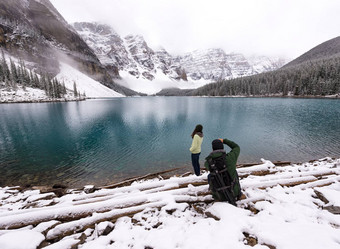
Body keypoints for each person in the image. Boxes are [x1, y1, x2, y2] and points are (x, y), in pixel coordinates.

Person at [204, 138, 242, 204]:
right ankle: (238, 192)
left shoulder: (207, 163)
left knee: (210, 176)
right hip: (234, 193)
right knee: (234, 172)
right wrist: (224, 141)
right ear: (222, 147)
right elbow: (236, 147)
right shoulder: (230, 158)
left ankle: (216, 194)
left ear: (213, 149)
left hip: (219, 196)